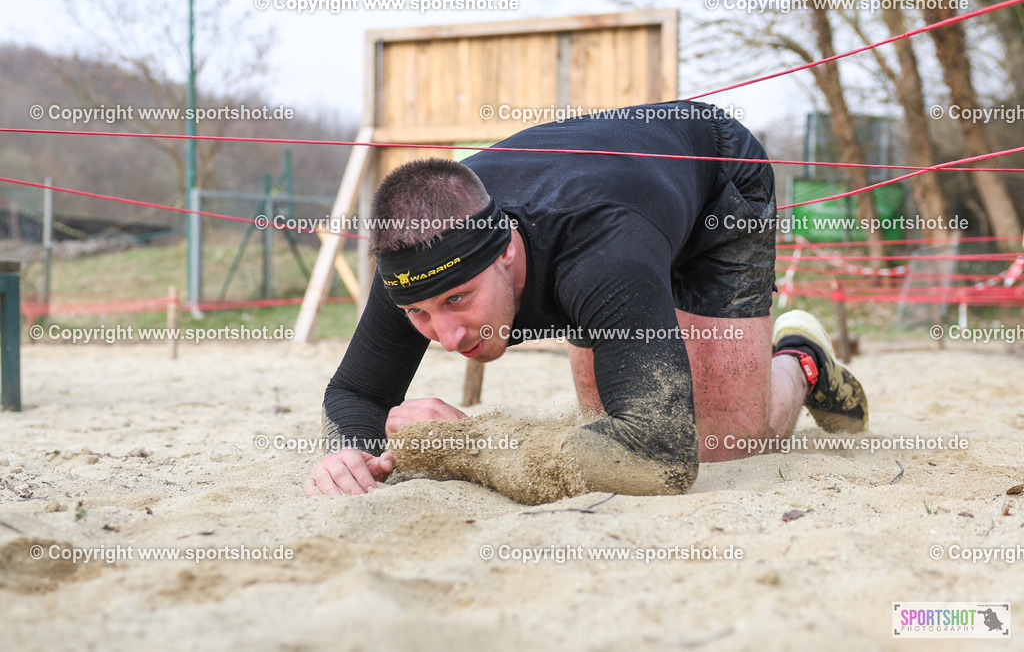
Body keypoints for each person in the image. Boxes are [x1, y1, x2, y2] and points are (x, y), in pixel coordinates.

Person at [303, 99, 868, 499]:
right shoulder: (417, 258)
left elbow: (661, 457)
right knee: (601, 422)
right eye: (418, 315)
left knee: (726, 441)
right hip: (611, 194)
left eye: (459, 300)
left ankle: (800, 357)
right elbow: (355, 390)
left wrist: (464, 445)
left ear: (504, 253)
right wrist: (351, 451)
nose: (446, 339)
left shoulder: (602, 259)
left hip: (714, 175)